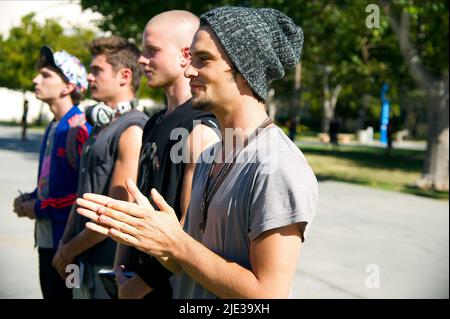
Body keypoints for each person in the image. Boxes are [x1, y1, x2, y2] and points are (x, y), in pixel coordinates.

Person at [76, 6, 318, 299]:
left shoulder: (277, 165)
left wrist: (176, 242)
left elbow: (268, 294)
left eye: (203, 59)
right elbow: (190, 263)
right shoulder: (209, 157)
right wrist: (150, 236)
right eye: (191, 58)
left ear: (245, 70)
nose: (189, 70)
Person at [112, 10, 220, 299]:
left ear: (186, 55)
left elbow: (190, 227)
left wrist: (140, 285)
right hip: (130, 279)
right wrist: (119, 268)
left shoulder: (202, 126)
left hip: (167, 287)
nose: (141, 59)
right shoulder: (153, 122)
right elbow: (136, 198)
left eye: (152, 51)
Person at [52, 36, 148, 299]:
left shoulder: (132, 129)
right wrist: (65, 245)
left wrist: (67, 251)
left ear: (124, 76)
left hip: (106, 268)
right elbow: (81, 195)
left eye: (97, 70)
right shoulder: (101, 125)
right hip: (79, 259)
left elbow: (114, 212)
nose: (90, 77)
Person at [12, 46, 91, 299]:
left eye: (46, 75)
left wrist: (39, 206)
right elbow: (51, 181)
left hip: (67, 244)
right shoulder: (54, 125)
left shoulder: (79, 128)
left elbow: (85, 194)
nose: (36, 79)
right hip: (46, 240)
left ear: (68, 87)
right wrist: (31, 197)